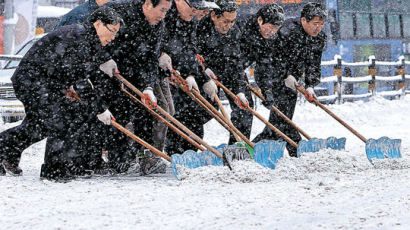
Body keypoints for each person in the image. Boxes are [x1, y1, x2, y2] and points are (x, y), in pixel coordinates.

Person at [0, 6, 122, 180]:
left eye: (116, 33)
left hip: (45, 83)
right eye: (112, 31)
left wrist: (105, 61)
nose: (113, 37)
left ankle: (6, 150)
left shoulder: (88, 37)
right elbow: (80, 80)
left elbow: (82, 70)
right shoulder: (79, 37)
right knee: (60, 121)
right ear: (99, 24)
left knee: (40, 125)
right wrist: (100, 109)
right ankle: (54, 170)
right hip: (33, 83)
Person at [101, 0, 172, 175]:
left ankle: (141, 158)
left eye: (166, 11)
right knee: (117, 115)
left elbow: (150, 57)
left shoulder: (158, 24)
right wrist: (102, 58)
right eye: (161, 10)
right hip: (108, 73)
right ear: (148, 4)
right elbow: (95, 37)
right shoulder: (119, 12)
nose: (164, 16)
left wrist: (148, 86)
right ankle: (116, 160)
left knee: (145, 114)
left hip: (135, 75)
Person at [252, 2, 327, 157]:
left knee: (281, 121)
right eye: (315, 23)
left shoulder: (318, 38)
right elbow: (271, 58)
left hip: (292, 82)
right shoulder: (287, 32)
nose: (318, 28)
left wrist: (310, 85)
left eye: (321, 24)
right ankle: (297, 150)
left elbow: (313, 63)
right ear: (303, 20)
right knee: (280, 119)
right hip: (272, 78)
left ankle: (254, 149)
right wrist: (285, 74)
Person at [162, 0, 220, 156]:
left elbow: (189, 49)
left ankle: (190, 151)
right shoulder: (164, 13)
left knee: (196, 110)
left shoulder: (189, 20)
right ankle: (176, 152)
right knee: (177, 112)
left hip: (182, 73)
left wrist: (197, 76)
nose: (197, 12)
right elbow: (169, 47)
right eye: (194, 8)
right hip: (164, 72)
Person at [195, 0, 252, 145]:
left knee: (244, 106)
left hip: (229, 72)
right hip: (203, 74)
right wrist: (203, 70)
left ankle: (238, 146)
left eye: (233, 21)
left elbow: (236, 62)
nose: (229, 25)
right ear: (214, 15)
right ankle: (188, 145)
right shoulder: (198, 28)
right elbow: (190, 54)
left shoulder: (234, 31)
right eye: (226, 21)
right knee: (203, 111)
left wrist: (239, 90)